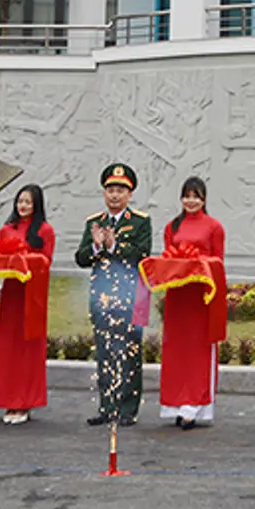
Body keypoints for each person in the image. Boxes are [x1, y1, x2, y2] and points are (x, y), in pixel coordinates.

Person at [77, 163, 152, 427]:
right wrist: (97, 246)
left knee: (130, 351)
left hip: (131, 296)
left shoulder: (141, 221)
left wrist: (114, 245)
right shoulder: (93, 222)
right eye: (110, 190)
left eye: (120, 190)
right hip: (103, 296)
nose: (115, 195)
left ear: (129, 194)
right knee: (105, 351)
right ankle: (107, 406)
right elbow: (81, 258)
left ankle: (128, 408)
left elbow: (142, 252)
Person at [158, 177, 224, 430]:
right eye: (187, 196)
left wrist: (198, 265)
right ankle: (174, 403)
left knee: (197, 348)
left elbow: (218, 262)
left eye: (196, 196)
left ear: (204, 199)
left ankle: (196, 404)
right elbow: (167, 258)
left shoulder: (214, 227)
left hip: (200, 298)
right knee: (176, 348)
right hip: (178, 297)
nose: (191, 201)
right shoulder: (172, 226)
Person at [0, 183, 55, 426]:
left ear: (36, 204)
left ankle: (25, 402)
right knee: (8, 347)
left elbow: (46, 262)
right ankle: (8, 401)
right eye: (20, 201)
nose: (23, 206)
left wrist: (25, 259)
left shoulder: (45, 231)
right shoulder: (7, 229)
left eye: (28, 202)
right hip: (11, 294)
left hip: (33, 294)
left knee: (28, 348)